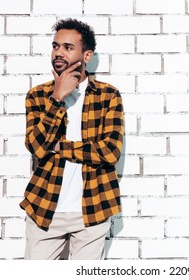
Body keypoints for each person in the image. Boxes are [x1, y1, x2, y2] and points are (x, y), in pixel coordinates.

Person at [19, 18, 124, 260]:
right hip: (45, 207)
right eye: (56, 46)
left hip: (92, 207)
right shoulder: (38, 96)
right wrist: (57, 98)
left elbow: (109, 152)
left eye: (68, 47)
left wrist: (60, 148)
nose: (59, 53)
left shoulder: (108, 96)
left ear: (87, 56)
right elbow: (36, 147)